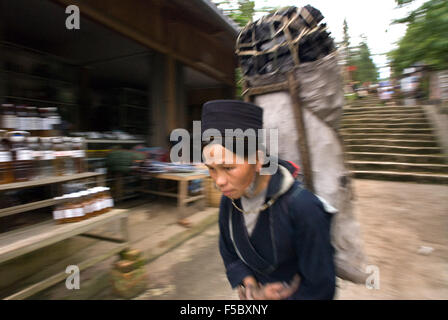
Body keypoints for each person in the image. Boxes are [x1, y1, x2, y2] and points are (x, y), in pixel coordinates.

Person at [201, 100, 336, 300]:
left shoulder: (304, 207)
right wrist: (251, 287)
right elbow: (228, 250)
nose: (219, 181)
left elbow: (321, 288)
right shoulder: (230, 201)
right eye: (212, 168)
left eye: (228, 168)